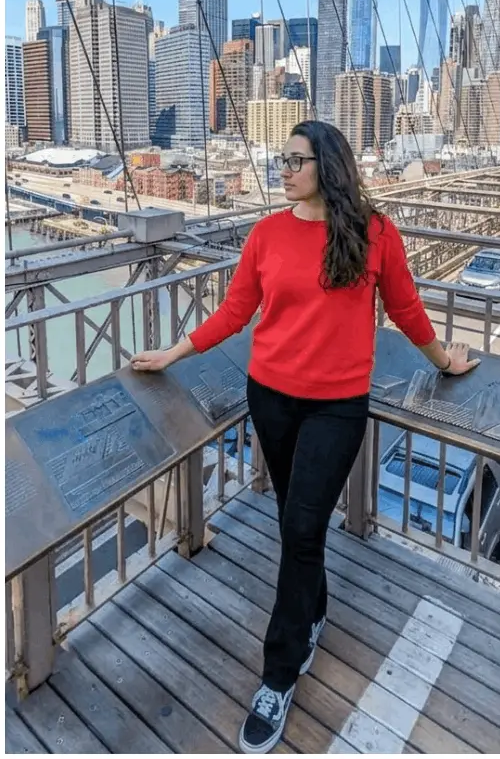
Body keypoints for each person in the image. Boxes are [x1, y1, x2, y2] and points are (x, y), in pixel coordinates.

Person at [132, 121, 480, 754]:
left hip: (336, 409)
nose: (282, 171)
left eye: (293, 160)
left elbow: (405, 309)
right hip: (270, 397)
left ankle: (279, 672)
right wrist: (173, 352)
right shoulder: (266, 234)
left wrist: (444, 361)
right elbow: (238, 311)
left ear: (327, 164)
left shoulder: (374, 234)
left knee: (299, 528)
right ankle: (315, 608)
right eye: (279, 161)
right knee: (297, 523)